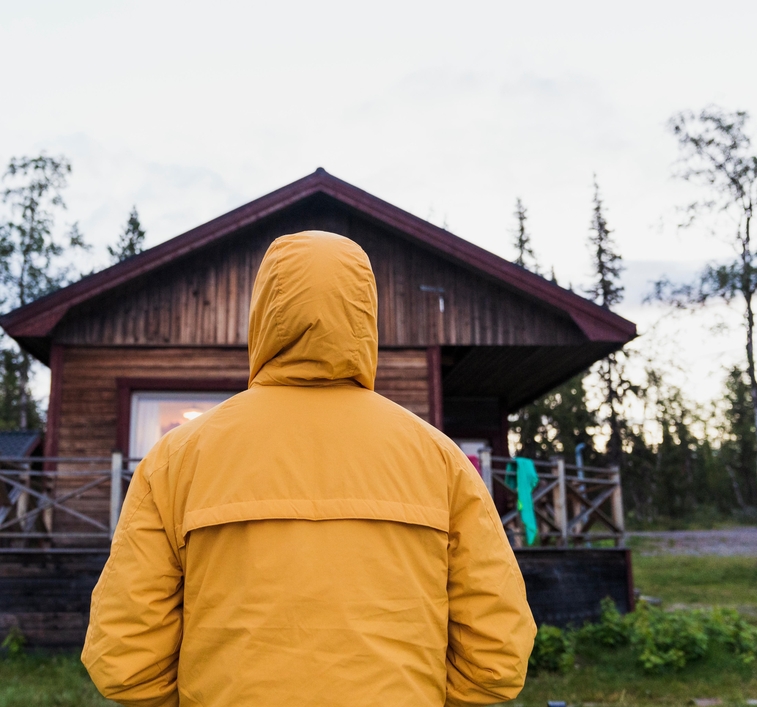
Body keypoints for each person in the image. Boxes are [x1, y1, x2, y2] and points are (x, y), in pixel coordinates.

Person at [82, 231, 536, 707]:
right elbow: (496, 658)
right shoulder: (440, 460)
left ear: (263, 314)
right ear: (365, 313)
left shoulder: (177, 458)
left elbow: (124, 659)